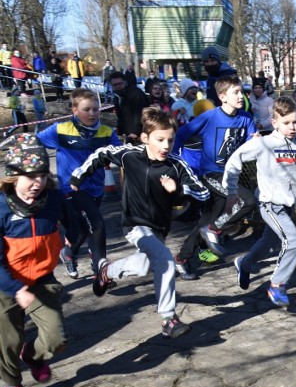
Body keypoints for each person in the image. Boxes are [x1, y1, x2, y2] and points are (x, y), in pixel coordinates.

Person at [69, 108, 210, 338]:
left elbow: (202, 193)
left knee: (146, 265)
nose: (166, 146)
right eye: (160, 140)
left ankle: (107, 271)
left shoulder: (176, 166)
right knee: (164, 261)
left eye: (170, 140)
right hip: (135, 223)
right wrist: (79, 175)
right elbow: (102, 153)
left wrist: (178, 191)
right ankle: (168, 319)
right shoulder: (130, 155)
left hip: (159, 227)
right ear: (145, 138)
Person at [0, 133, 79, 387]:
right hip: (6, 282)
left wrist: (69, 238)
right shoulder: (1, 207)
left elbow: (73, 223)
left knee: (57, 338)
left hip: (42, 278)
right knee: (8, 339)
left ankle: (32, 356)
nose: (38, 183)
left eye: (43, 175)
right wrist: (14, 288)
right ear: (12, 176)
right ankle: (12, 385)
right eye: (30, 176)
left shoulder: (53, 199)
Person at [226, 96, 296, 307]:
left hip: (290, 205)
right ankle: (277, 285)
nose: (292, 127)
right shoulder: (263, 143)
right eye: (286, 123)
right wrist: (231, 191)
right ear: (274, 123)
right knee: (294, 242)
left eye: (295, 122)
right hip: (269, 203)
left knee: (269, 243)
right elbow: (234, 160)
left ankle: (244, 264)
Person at [173, 75, 258, 277]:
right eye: (235, 92)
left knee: (206, 221)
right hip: (210, 173)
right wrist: (175, 162)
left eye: (241, 91)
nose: (240, 96)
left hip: (230, 175)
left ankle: (181, 259)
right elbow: (181, 134)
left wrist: (256, 141)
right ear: (222, 96)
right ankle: (215, 229)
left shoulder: (246, 118)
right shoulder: (209, 117)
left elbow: (252, 144)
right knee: (247, 200)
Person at [37, 88, 121, 279]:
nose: (92, 113)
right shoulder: (60, 130)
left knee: (83, 228)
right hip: (71, 188)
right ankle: (101, 270)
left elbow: (120, 155)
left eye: (95, 109)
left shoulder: (107, 132)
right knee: (97, 224)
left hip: (96, 188)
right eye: (86, 109)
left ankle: (68, 253)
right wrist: (42, 170)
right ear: (74, 110)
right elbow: (34, 143)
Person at [109, 70, 150, 144]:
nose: (118, 86)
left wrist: (136, 131)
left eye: (120, 84)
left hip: (139, 134)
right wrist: (120, 129)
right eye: (115, 85)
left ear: (125, 82)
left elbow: (141, 113)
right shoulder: (117, 96)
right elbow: (120, 116)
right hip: (128, 133)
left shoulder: (136, 94)